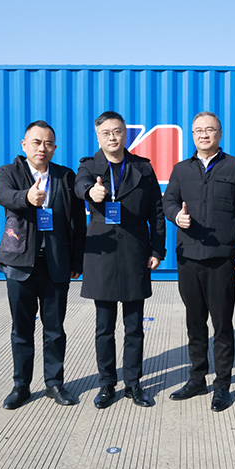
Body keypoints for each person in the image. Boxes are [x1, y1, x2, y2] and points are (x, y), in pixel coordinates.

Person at [162, 111, 235, 412]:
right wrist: (176, 216)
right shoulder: (181, 169)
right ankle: (197, 378)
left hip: (221, 259)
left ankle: (222, 385)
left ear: (220, 133)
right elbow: (168, 201)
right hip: (188, 258)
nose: (204, 134)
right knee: (194, 322)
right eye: (198, 130)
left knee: (222, 324)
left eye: (210, 129)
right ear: (192, 135)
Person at [75, 111, 166, 409]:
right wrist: (92, 191)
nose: (112, 137)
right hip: (102, 254)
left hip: (135, 253)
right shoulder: (89, 166)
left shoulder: (142, 167)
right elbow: (79, 186)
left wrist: (157, 250)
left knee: (134, 326)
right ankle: (106, 384)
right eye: (106, 133)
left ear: (125, 134)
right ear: (98, 136)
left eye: (117, 131)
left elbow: (156, 212)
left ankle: (133, 384)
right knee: (104, 327)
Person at [0, 120, 86, 410]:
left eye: (48, 143)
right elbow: (2, 195)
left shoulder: (65, 176)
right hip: (20, 264)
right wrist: (26, 197)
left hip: (56, 264)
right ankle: (21, 385)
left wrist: (76, 260)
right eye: (36, 142)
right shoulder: (9, 172)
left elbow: (77, 222)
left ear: (54, 147)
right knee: (21, 329)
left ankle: (54, 383)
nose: (42, 148)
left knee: (54, 328)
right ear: (24, 145)